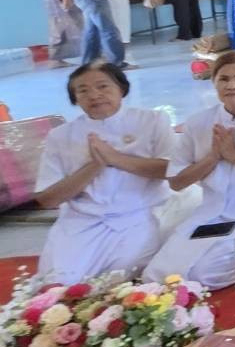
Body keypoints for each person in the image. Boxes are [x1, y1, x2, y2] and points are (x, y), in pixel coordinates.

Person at [144, 52, 235, 288]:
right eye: (223, 79)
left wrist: (233, 155)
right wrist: (213, 157)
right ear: (213, 82)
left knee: (205, 275)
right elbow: (176, 182)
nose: (232, 86)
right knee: (156, 273)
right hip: (211, 212)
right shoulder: (197, 123)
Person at [34, 61, 173, 283]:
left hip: (136, 215)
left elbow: (172, 170)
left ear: (121, 88)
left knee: (120, 283)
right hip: (80, 221)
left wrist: (115, 158)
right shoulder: (60, 136)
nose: (94, 95)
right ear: (74, 98)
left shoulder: (152, 120)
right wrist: (95, 166)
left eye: (102, 86)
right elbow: (47, 199)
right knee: (56, 284)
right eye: (83, 90)